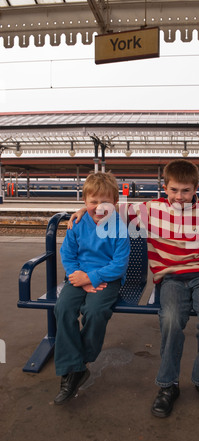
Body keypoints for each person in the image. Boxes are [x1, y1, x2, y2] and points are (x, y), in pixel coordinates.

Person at [68, 160, 199, 417]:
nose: (180, 196)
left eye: (186, 190)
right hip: (169, 278)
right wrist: (82, 208)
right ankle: (168, 385)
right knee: (170, 320)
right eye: (175, 190)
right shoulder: (149, 210)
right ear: (164, 188)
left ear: (195, 189)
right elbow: (109, 207)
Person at [54, 172, 130, 405]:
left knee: (95, 311)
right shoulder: (78, 223)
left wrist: (92, 278)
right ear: (85, 202)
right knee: (63, 307)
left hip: (108, 278)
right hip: (78, 277)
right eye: (93, 202)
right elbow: (67, 253)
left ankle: (78, 364)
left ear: (115, 203)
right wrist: (78, 276)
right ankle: (74, 367)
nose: (98, 208)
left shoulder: (119, 227)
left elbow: (119, 265)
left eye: (104, 202)